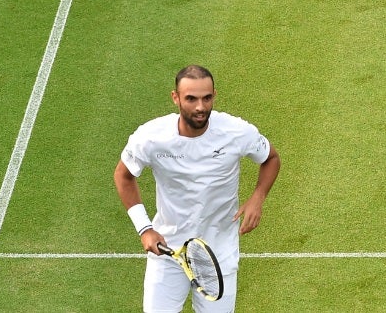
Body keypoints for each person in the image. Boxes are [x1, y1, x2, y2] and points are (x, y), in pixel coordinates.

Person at [114, 65, 281, 312]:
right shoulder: (151, 137)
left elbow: (271, 158)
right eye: (191, 99)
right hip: (168, 253)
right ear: (176, 98)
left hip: (219, 255)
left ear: (214, 95)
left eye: (206, 98)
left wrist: (258, 197)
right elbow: (123, 175)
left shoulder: (236, 132)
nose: (200, 107)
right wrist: (145, 229)